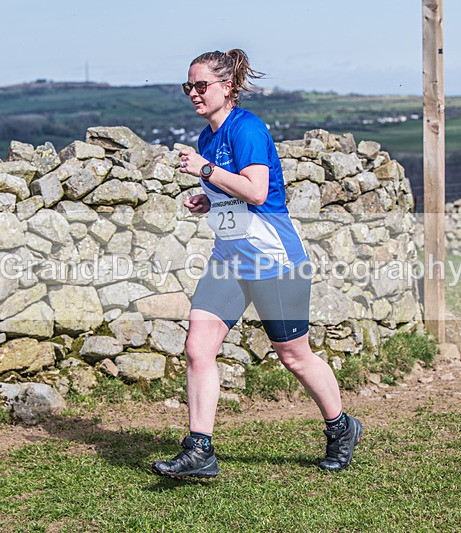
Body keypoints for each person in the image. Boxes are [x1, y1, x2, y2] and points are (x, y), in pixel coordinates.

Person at [151, 49, 361, 479]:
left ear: (226, 88)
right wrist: (207, 200)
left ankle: (341, 427)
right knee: (197, 348)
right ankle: (200, 449)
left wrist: (207, 172)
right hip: (229, 259)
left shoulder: (246, 128)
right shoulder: (208, 137)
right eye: (188, 86)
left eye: (201, 85)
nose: (193, 93)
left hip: (272, 260)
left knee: (293, 355)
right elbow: (233, 193)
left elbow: (259, 192)